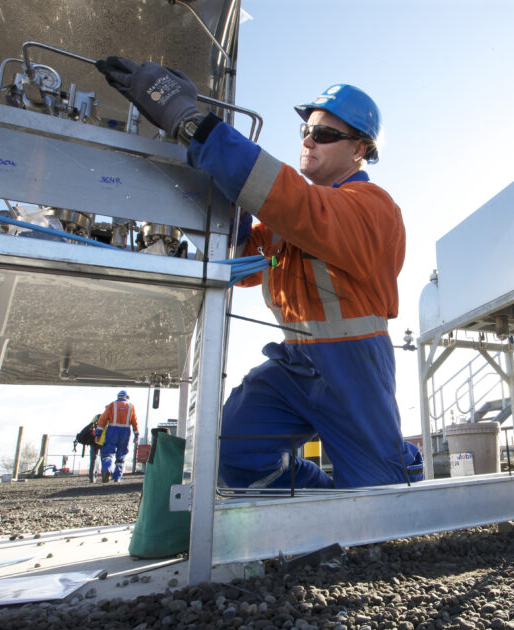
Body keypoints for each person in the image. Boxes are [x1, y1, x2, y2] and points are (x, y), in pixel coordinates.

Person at [96, 58, 422, 489]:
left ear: (359, 149)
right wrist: (227, 208)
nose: (308, 140)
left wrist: (195, 124)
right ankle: (322, 504)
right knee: (230, 451)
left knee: (379, 495)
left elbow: (298, 206)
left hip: (353, 365)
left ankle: (397, 463)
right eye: (305, 131)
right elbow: (245, 259)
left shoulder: (371, 206)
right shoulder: (295, 218)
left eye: (323, 134)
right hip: (295, 364)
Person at [97, 390, 139, 483]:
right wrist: (136, 434)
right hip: (125, 431)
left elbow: (103, 419)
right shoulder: (131, 406)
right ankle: (117, 477)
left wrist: (98, 433)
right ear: (126, 397)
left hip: (112, 429)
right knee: (122, 453)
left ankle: (107, 469)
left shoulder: (112, 405)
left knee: (108, 451)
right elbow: (135, 421)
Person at [73, 413, 103, 483]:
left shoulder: (96, 416)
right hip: (102, 441)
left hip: (93, 440)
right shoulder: (107, 417)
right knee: (103, 458)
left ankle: (92, 477)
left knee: (93, 459)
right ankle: (104, 475)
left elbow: (90, 426)